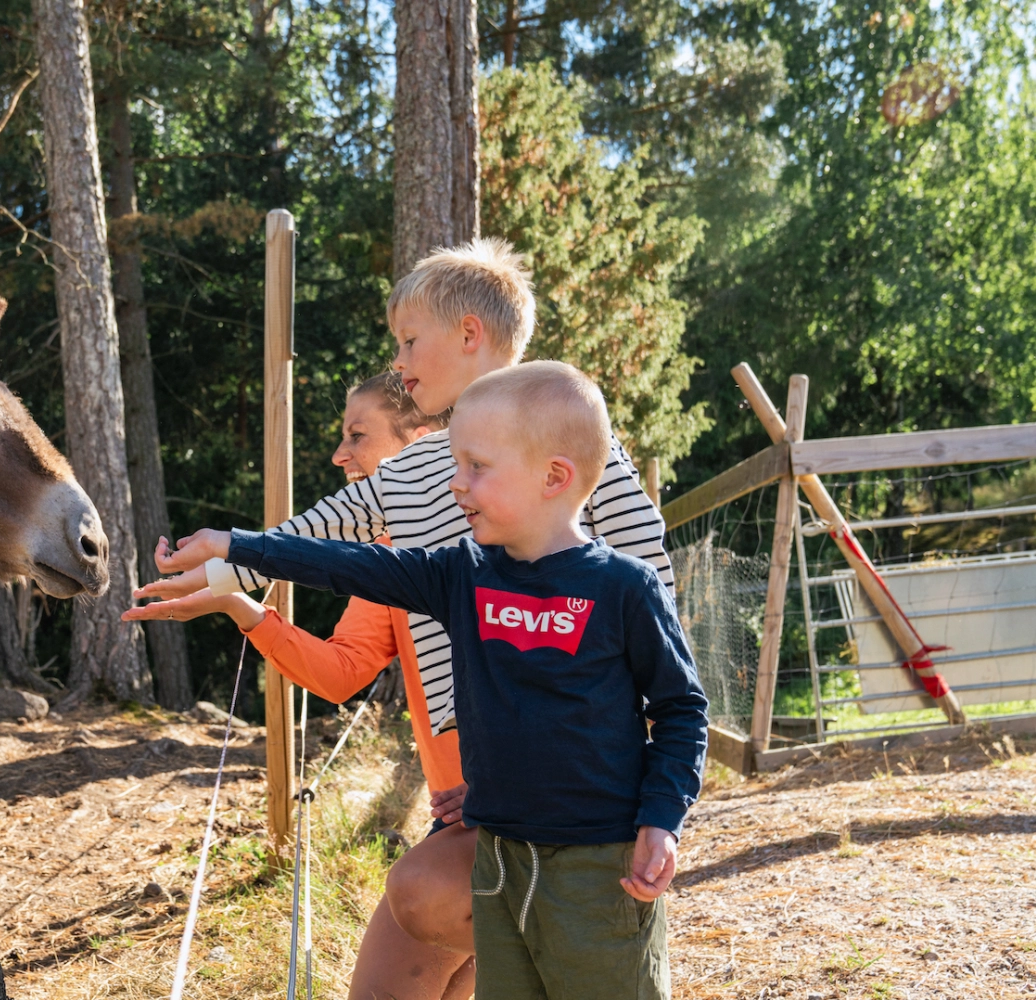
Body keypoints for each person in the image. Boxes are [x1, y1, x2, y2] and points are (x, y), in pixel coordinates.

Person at [125, 238, 673, 981]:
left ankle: (583, 932)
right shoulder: (415, 467)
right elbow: (326, 536)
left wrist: (638, 780)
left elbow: (649, 575)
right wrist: (225, 563)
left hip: (572, 767)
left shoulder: (566, 438)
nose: (402, 362)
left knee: (446, 926)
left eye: (410, 341)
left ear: (470, 336)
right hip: (474, 758)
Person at [129, 372, 475, 1000]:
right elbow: (341, 671)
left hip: (499, 821)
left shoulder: (488, 547)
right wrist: (240, 607)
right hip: (465, 819)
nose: (340, 455)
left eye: (357, 435)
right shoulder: (392, 558)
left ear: (421, 444)